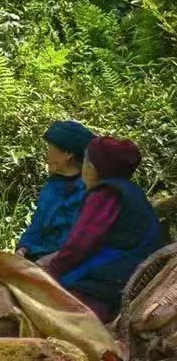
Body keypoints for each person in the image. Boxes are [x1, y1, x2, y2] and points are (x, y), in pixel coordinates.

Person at [40, 136, 164, 323]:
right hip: (131, 272)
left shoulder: (104, 194)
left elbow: (79, 245)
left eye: (85, 161)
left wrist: (52, 272)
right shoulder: (130, 190)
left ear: (94, 168)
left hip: (111, 282)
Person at [16, 120, 93, 260]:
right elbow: (37, 224)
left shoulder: (86, 191)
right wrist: (22, 248)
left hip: (61, 263)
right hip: (34, 258)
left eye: (50, 148)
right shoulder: (52, 185)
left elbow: (77, 243)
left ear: (68, 154)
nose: (46, 155)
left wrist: (47, 261)